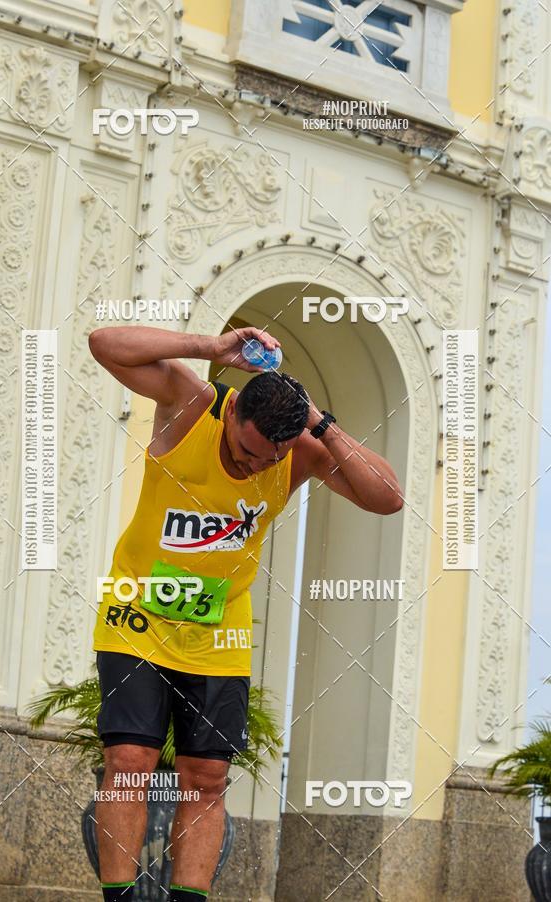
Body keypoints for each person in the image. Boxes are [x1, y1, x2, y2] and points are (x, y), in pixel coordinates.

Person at [88, 324, 403, 902]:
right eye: (248, 451)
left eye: (271, 458)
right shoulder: (194, 406)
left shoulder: (295, 454)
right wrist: (208, 349)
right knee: (130, 759)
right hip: (138, 614)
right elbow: (103, 343)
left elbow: (388, 497)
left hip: (218, 629)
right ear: (233, 417)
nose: (257, 467)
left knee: (206, 779)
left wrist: (321, 425)